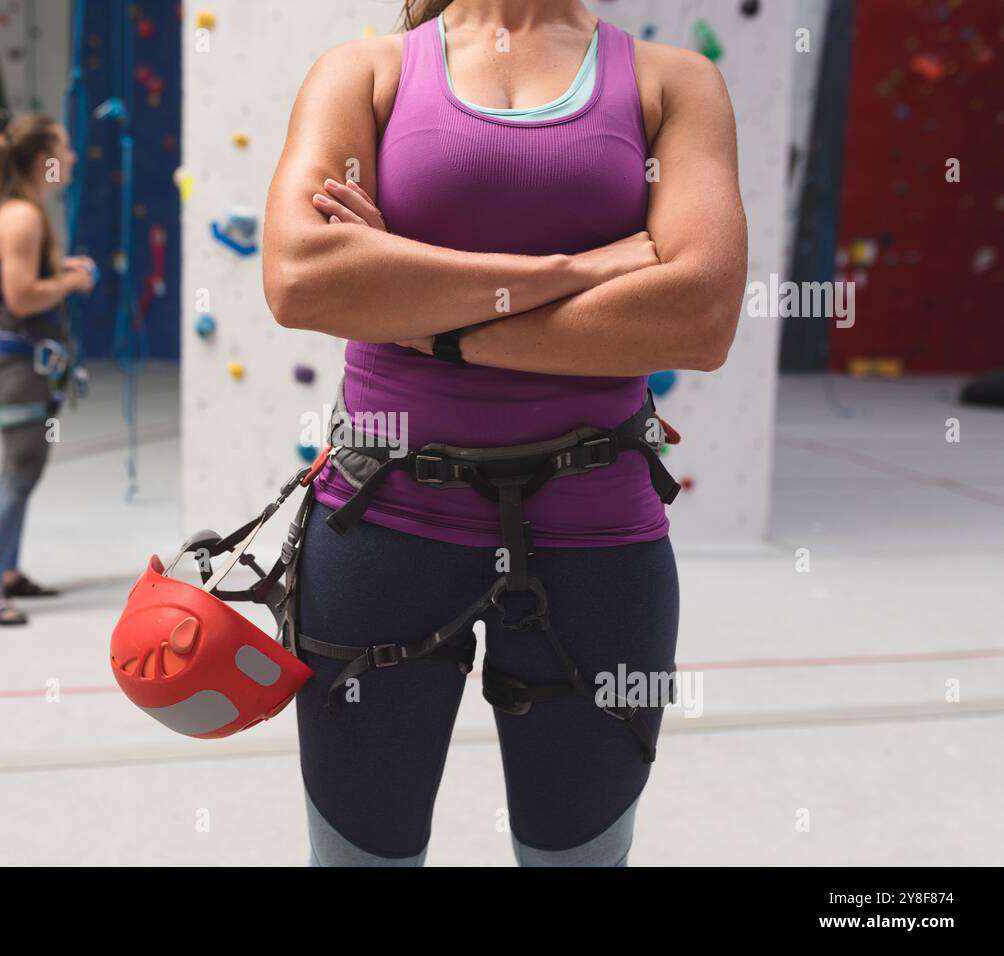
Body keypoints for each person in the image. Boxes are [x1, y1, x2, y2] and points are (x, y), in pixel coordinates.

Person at [262, 0, 747, 865]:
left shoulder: (675, 85)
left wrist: (423, 316)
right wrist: (585, 268)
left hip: (599, 542)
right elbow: (304, 277)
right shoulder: (364, 73)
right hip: (380, 529)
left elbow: (699, 316)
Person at [0, 115, 96, 626]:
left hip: (28, 361)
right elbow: (20, 297)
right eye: (63, 148)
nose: (71, 157)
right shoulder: (23, 217)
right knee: (18, 472)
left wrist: (63, 268)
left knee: (26, 471)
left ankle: (7, 574)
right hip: (18, 360)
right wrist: (70, 285)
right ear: (44, 158)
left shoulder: (27, 213)